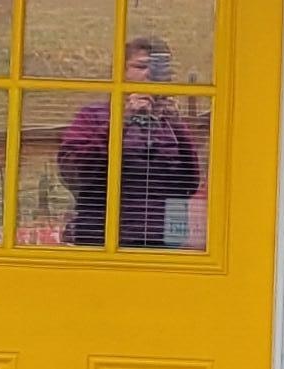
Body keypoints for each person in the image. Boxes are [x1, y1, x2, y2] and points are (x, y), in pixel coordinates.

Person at [53, 35, 204, 247]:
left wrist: (175, 123)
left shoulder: (169, 123)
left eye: (158, 69)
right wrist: (122, 120)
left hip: (160, 245)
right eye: (141, 66)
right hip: (100, 240)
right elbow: (75, 172)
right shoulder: (94, 116)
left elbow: (189, 184)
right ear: (121, 72)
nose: (149, 75)